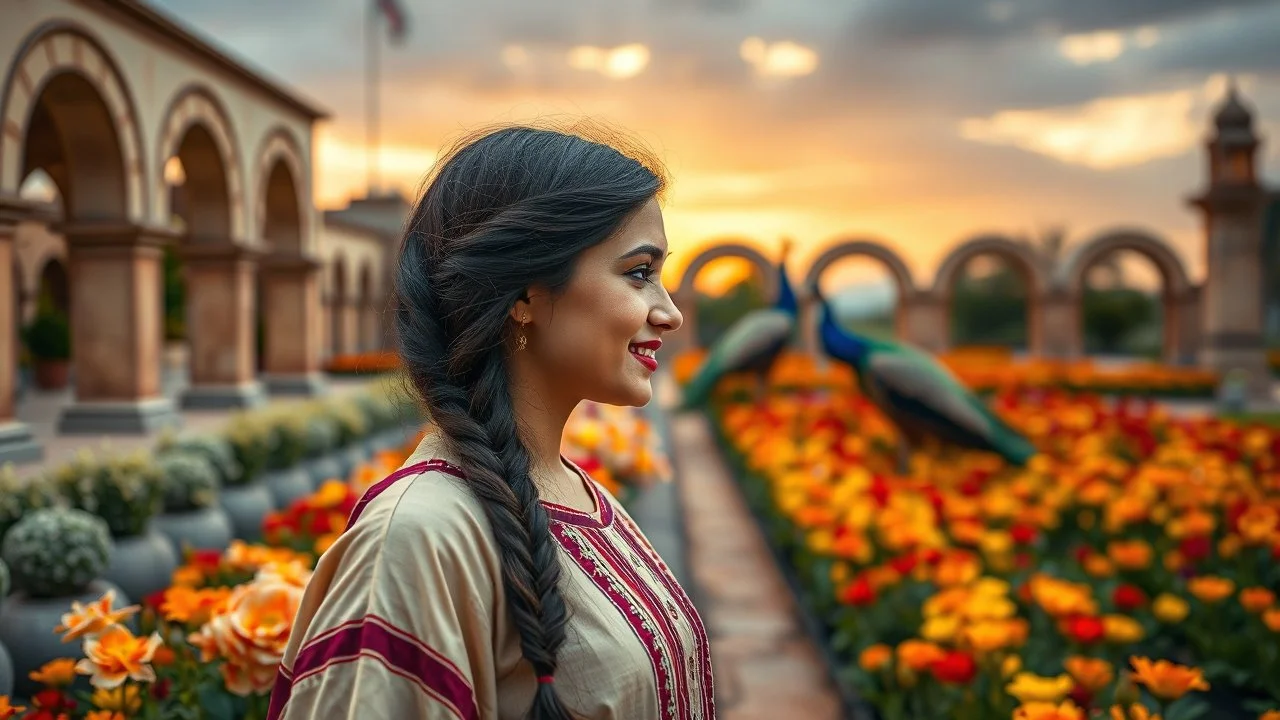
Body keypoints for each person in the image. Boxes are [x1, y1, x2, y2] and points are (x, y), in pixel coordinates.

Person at [267, 122, 714, 720]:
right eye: (638, 273)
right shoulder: (419, 536)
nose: (671, 312)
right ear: (524, 295)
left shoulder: (569, 487)